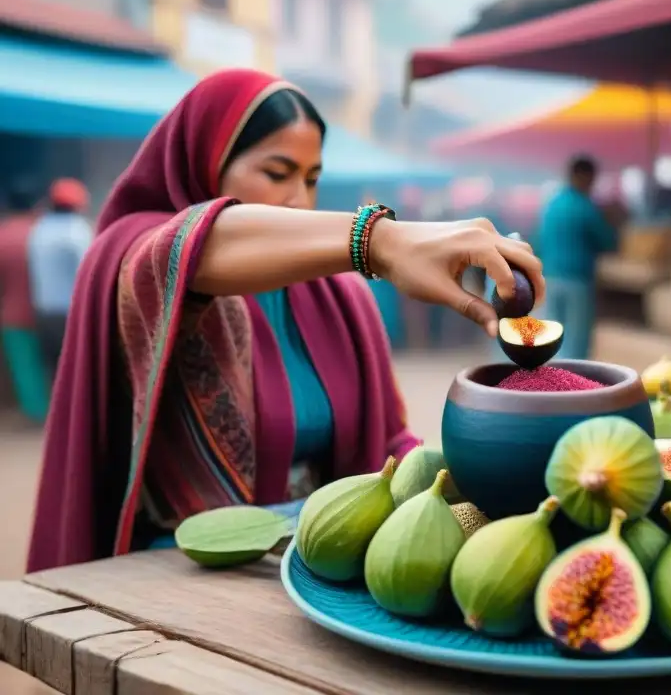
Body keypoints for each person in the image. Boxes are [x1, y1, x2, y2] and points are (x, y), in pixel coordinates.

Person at [27, 69, 544, 572]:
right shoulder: (134, 253)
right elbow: (184, 248)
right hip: (173, 581)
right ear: (204, 163)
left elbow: (387, 447)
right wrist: (381, 241)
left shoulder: (343, 297)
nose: (299, 198)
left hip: (315, 570)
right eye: (277, 173)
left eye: (312, 178)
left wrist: (475, 478)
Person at [535, 155, 621, 359]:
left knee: (552, 339)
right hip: (576, 281)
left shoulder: (552, 204)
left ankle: (554, 384)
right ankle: (574, 387)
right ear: (585, 176)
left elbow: (537, 241)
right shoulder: (585, 207)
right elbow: (608, 242)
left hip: (550, 279)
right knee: (576, 341)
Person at [27, 178, 94, 379]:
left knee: (54, 371)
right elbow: (88, 274)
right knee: (77, 371)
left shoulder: (39, 229)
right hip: (72, 313)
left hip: (45, 312)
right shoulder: (78, 231)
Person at [0, 186, 48, 422]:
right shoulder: (44, 233)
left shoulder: (3, 237)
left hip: (14, 315)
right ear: (36, 207)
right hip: (51, 312)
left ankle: (36, 412)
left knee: (25, 367)